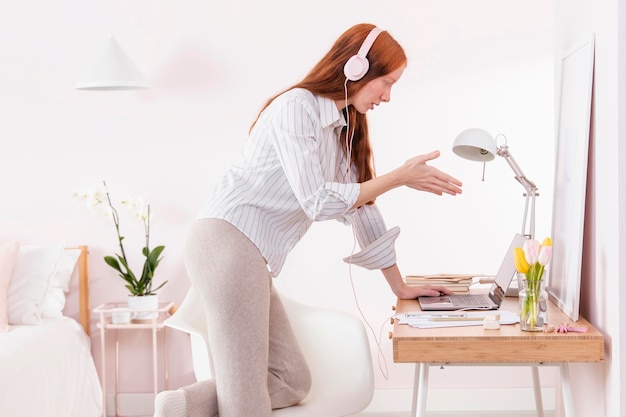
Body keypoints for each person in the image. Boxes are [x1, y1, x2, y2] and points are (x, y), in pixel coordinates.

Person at [154, 23, 462, 417]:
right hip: (226, 243)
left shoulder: (342, 131)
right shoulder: (296, 108)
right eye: (385, 82)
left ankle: (177, 406)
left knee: (291, 380)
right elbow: (318, 201)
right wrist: (399, 177)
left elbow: (362, 210)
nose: (387, 96)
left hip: (247, 253)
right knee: (246, 404)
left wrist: (399, 286)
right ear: (355, 69)